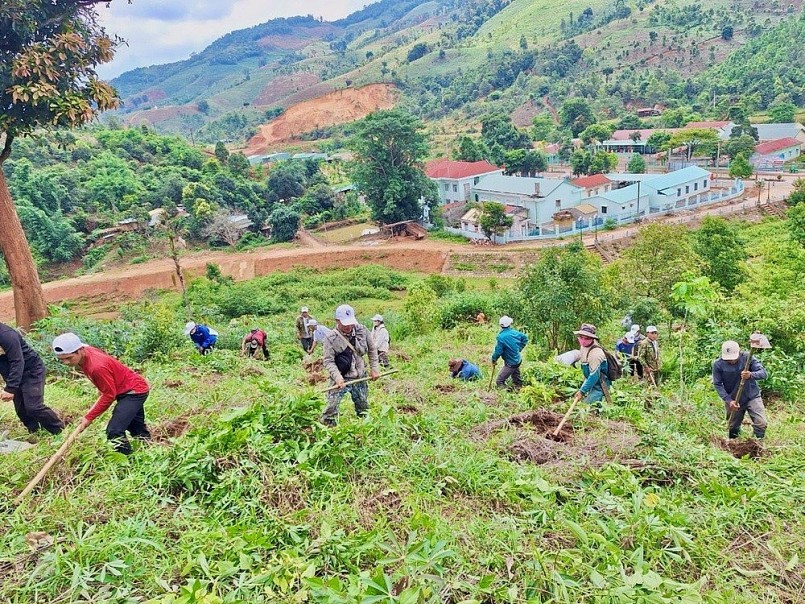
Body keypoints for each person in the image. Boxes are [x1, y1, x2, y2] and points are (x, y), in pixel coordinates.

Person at [52, 333, 150, 454]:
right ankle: (148, 449)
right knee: (135, 426)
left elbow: (109, 395)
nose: (66, 362)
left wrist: (89, 417)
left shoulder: (96, 367)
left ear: (80, 350)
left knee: (114, 432)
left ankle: (128, 462)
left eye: (69, 358)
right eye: (61, 360)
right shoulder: (86, 352)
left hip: (133, 391)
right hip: (126, 387)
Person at [0, 322, 64, 435]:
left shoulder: (6, 335)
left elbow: (17, 361)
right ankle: (35, 432)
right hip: (12, 373)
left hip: (31, 371)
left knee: (34, 407)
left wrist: (10, 388)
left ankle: (60, 430)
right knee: (22, 410)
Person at [321, 304, 380, 426]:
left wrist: (374, 369)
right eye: (345, 323)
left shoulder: (362, 330)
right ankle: (329, 430)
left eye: (350, 323)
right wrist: (337, 378)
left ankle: (365, 427)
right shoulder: (330, 338)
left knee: (363, 405)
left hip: (360, 376)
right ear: (337, 321)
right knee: (331, 407)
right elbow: (328, 361)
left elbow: (372, 350)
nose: (348, 326)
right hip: (341, 377)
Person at [713, 340, 768, 440]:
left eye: (734, 358)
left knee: (761, 423)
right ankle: (734, 445)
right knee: (733, 426)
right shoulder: (718, 364)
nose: (731, 361)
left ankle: (756, 444)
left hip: (752, 395)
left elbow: (763, 373)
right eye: (728, 359)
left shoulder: (747, 357)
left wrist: (751, 375)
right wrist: (729, 400)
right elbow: (717, 384)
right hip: (733, 399)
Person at [572, 323, 610, 408]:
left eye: (586, 338)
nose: (583, 341)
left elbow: (594, 375)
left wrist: (582, 391)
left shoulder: (596, 353)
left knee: (587, 408)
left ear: (592, 338)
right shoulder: (583, 347)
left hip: (600, 385)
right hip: (591, 381)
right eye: (581, 337)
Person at [491, 316, 528, 390]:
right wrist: (519, 348)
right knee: (515, 373)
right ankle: (518, 386)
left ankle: (508, 392)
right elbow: (525, 338)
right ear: (510, 324)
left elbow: (498, 351)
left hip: (511, 363)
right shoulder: (516, 333)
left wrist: (494, 359)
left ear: (500, 325)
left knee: (499, 381)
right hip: (517, 360)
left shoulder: (501, 337)